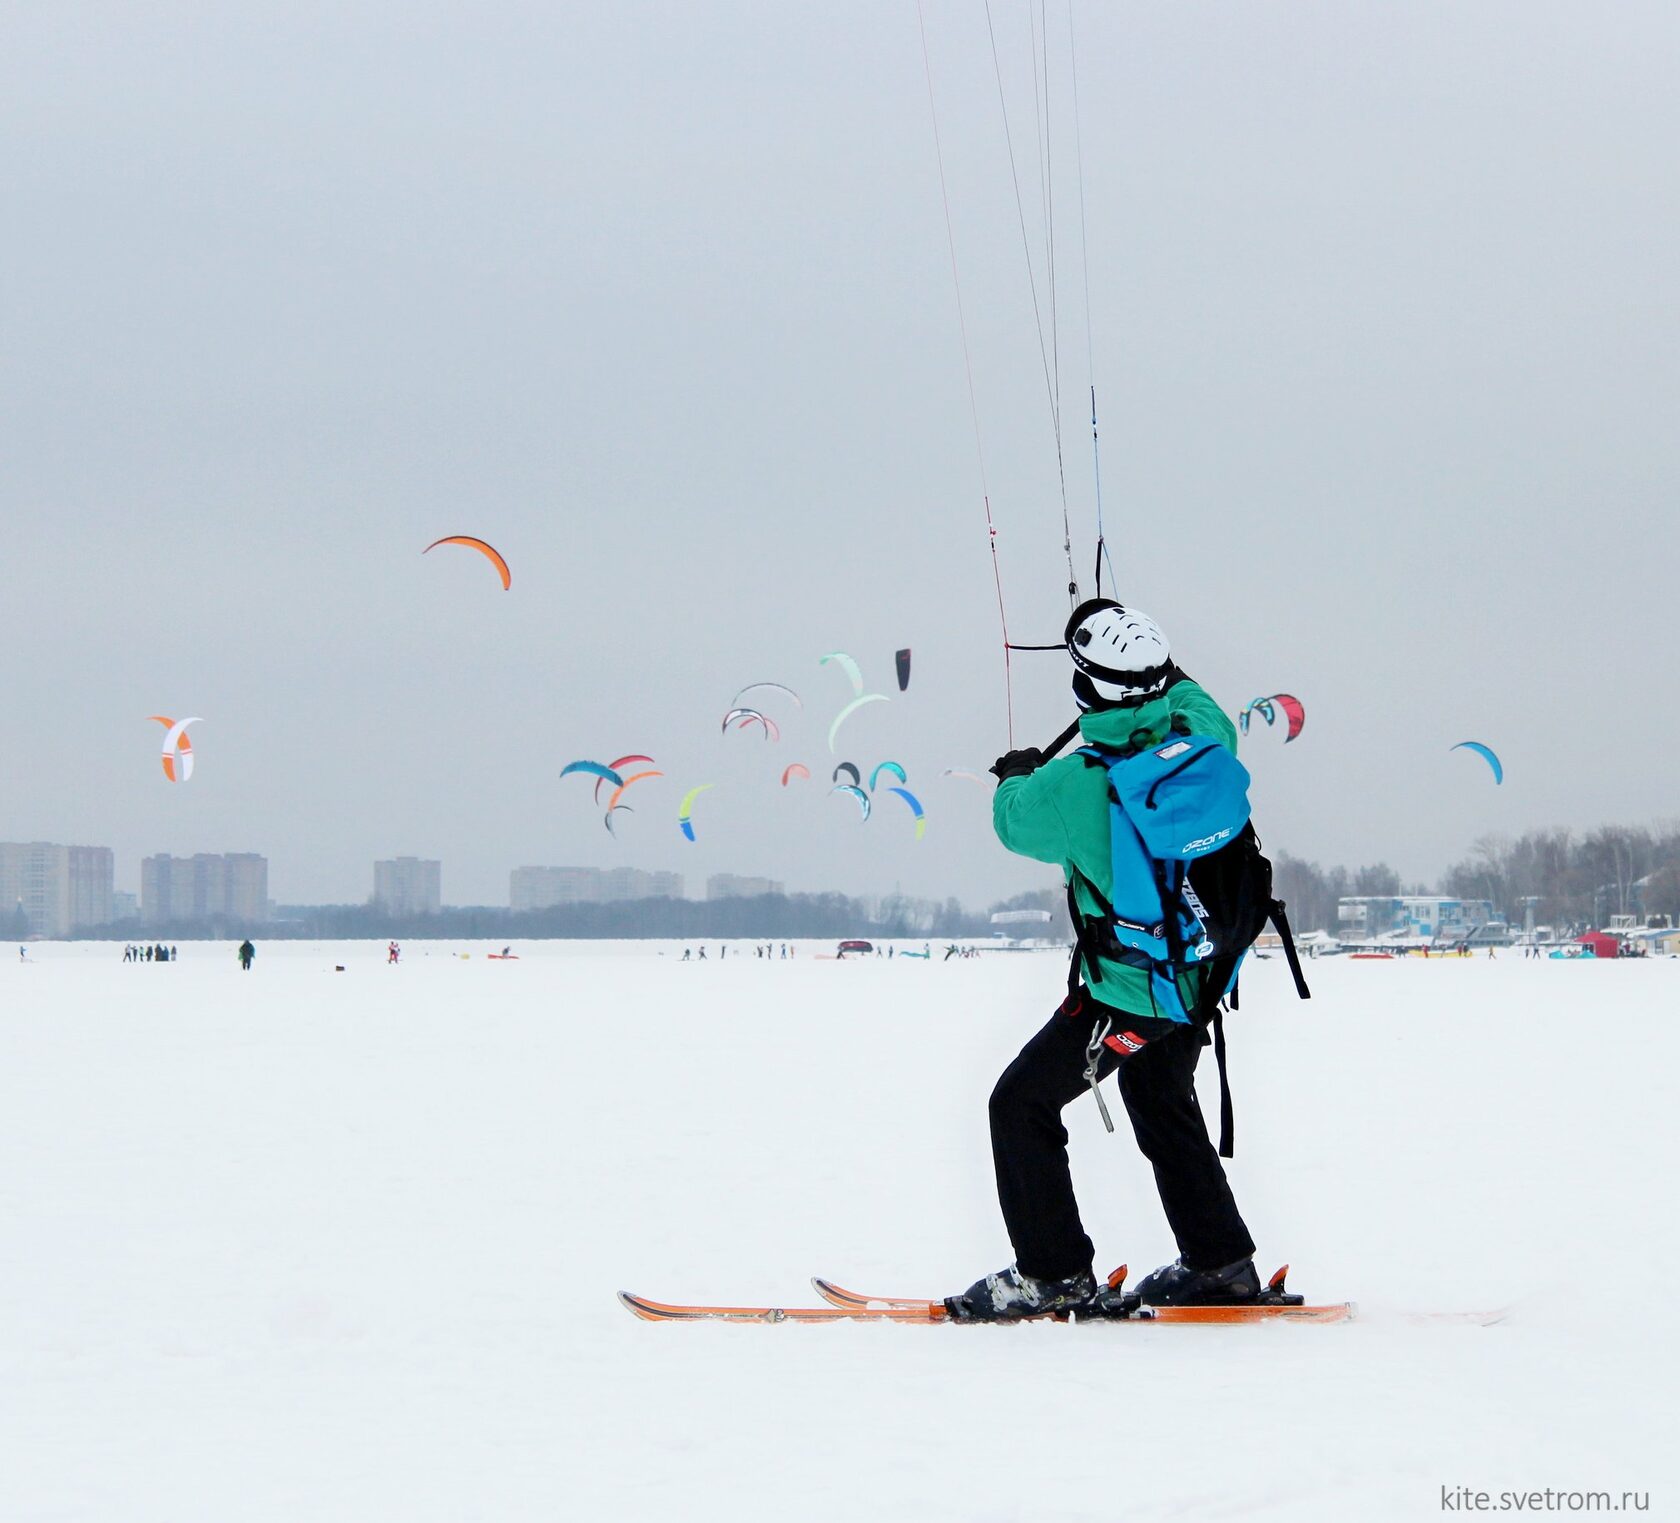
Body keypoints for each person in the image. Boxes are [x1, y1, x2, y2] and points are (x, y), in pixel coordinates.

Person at [946, 599, 1277, 1322]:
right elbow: (1191, 694)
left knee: (1019, 1103)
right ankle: (1221, 1263)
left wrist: (1017, 772)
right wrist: (1146, 656)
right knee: (1157, 1092)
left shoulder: (1071, 786)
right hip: (1202, 980)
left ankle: (1054, 1274)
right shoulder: (1205, 738)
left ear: (1086, 691)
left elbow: (1012, 819)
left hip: (1130, 994)